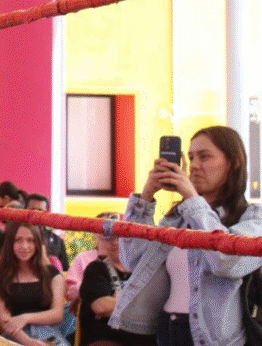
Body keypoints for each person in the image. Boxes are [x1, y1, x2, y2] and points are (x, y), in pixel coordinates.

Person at [108, 125, 262, 346]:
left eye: (205, 156)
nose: (195, 165)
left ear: (234, 163)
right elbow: (132, 260)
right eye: (190, 157)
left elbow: (226, 262)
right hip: (167, 329)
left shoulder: (253, 216)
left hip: (216, 340)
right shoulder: (179, 218)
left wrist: (191, 197)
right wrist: (146, 197)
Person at [0, 221, 69, 346]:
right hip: (16, 336)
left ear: (37, 244)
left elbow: (58, 315)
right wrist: (29, 342)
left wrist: (25, 318)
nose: (24, 246)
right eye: (18, 240)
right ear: (10, 243)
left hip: (48, 333)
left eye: (30, 240)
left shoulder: (52, 274)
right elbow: (5, 321)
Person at [79, 222, 153, 346]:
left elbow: (155, 307)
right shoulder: (97, 268)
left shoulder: (145, 271)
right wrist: (140, 304)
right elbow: (101, 307)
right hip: (107, 338)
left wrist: (118, 301)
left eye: (122, 238)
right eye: (110, 239)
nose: (116, 242)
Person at [26, 193, 69, 271]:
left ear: (47, 214)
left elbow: (64, 271)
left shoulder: (57, 241)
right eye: (32, 210)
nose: (36, 214)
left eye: (40, 211)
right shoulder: (12, 236)